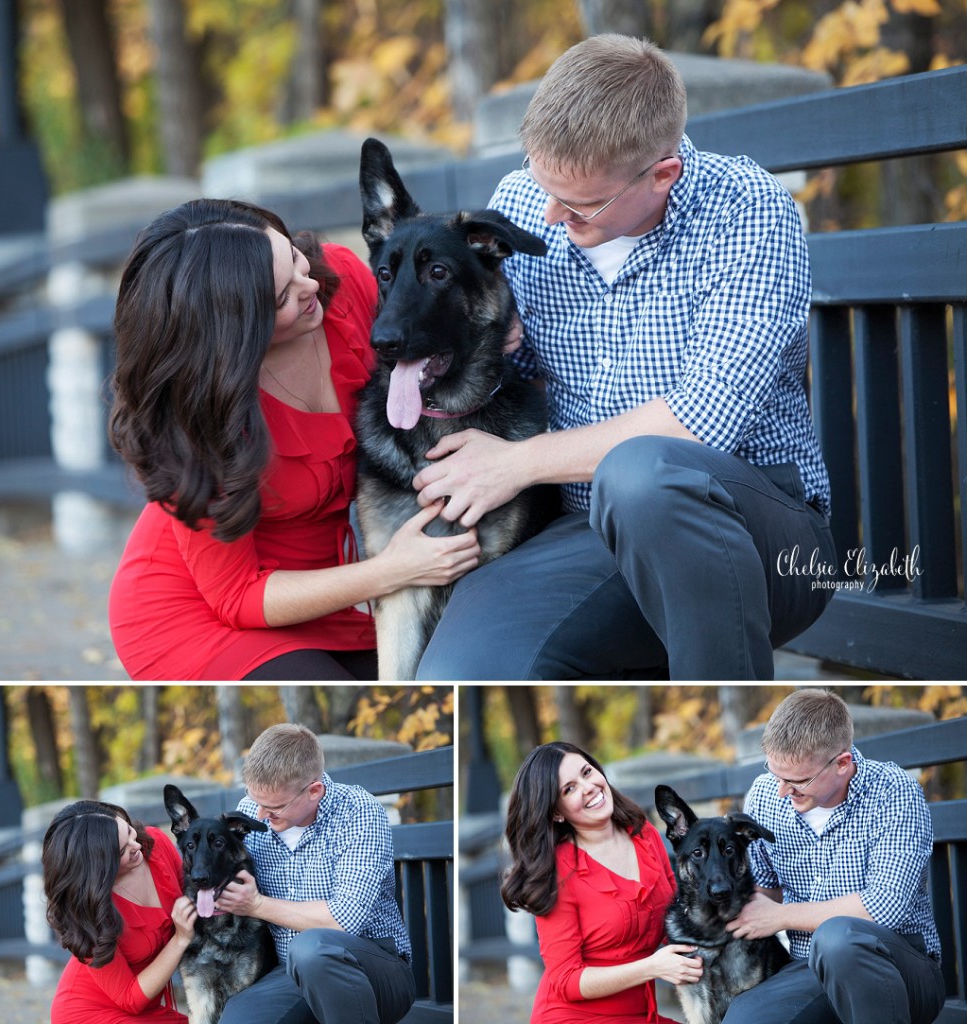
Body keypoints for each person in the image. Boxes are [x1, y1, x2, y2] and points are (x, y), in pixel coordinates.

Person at [415, 35, 836, 680]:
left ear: (662, 173)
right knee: (464, 668)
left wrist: (519, 464)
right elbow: (504, 368)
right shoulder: (527, 199)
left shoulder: (746, 210)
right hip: (584, 530)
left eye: (580, 206)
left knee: (644, 473)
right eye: (539, 181)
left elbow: (699, 422)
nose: (549, 216)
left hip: (754, 532)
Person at [107, 198, 480, 680]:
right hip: (198, 613)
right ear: (233, 331)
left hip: (327, 595)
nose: (309, 288)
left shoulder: (339, 285)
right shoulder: (198, 420)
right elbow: (237, 596)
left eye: (295, 260)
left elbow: (435, 305)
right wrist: (393, 570)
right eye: (281, 297)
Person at [722, 688, 945, 1024]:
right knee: (744, 1019)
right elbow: (764, 893)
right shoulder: (766, 795)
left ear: (842, 764)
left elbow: (884, 907)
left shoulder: (893, 792)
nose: (782, 791)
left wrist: (782, 916)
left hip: (900, 968)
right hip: (809, 968)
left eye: (797, 780)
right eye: (775, 773)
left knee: (839, 938)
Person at [209, 723, 416, 1024]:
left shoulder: (358, 812)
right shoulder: (251, 811)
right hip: (290, 973)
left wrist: (255, 905)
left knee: (313, 949)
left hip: (374, 971)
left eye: (275, 808)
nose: (261, 816)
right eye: (256, 802)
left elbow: (344, 919)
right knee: (238, 1018)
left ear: (314, 791)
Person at [501, 740, 699, 1023]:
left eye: (586, 772)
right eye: (569, 789)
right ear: (557, 812)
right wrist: (652, 967)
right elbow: (567, 980)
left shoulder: (645, 835)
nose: (588, 787)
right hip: (573, 1017)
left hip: (641, 1014)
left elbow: (678, 919)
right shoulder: (555, 873)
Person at [42, 800, 197, 1024]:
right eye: (122, 850)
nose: (136, 846)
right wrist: (180, 939)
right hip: (91, 1012)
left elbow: (195, 896)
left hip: (146, 1007)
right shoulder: (88, 911)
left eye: (129, 831)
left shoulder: (155, 845)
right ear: (98, 867)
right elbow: (129, 997)